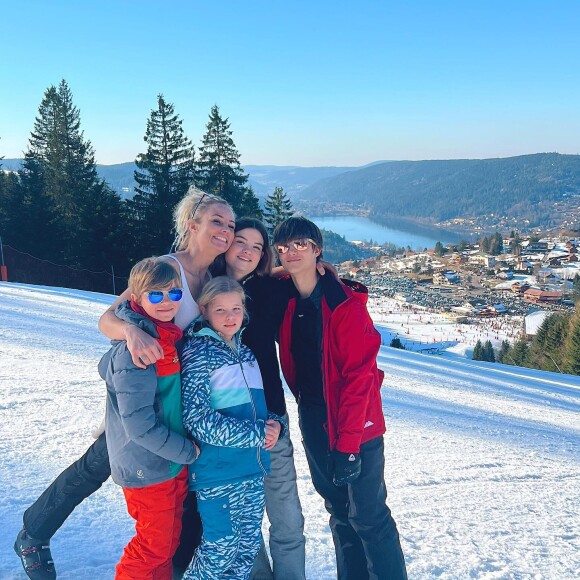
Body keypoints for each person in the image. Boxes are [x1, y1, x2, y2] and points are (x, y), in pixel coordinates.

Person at [14, 187, 235, 580]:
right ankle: (33, 533)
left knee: (134, 475)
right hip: (145, 396)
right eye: (217, 221)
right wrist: (132, 334)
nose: (225, 230)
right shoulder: (167, 268)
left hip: (176, 401)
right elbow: (107, 319)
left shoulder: (215, 276)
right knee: (98, 465)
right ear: (192, 224)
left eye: (230, 224)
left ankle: (169, 565)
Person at [272, 216, 408, 580]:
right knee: (338, 511)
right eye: (283, 247)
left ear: (317, 249)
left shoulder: (345, 304)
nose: (290, 252)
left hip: (356, 425)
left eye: (300, 244)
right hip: (314, 418)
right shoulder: (285, 297)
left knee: (369, 516)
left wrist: (348, 446)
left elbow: (359, 379)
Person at [218, 218, 306, 580]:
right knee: (243, 528)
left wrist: (323, 267)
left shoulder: (270, 290)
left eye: (257, 247)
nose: (248, 252)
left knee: (287, 520)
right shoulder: (201, 290)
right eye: (241, 241)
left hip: (271, 419)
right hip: (226, 428)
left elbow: (309, 285)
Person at [180, 277, 285, 579]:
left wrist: (275, 425)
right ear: (205, 311)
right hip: (218, 472)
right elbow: (197, 418)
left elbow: (259, 411)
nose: (230, 317)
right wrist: (255, 434)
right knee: (221, 548)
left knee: (246, 550)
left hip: (251, 469)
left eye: (236, 309)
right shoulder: (199, 354)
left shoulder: (247, 355)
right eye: (221, 310)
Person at [101, 256, 199, 578]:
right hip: (149, 466)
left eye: (174, 293)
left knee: (167, 545)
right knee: (152, 547)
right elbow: (139, 425)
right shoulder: (137, 349)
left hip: (168, 464)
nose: (167, 301)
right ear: (137, 298)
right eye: (155, 295)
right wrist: (188, 452)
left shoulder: (167, 337)